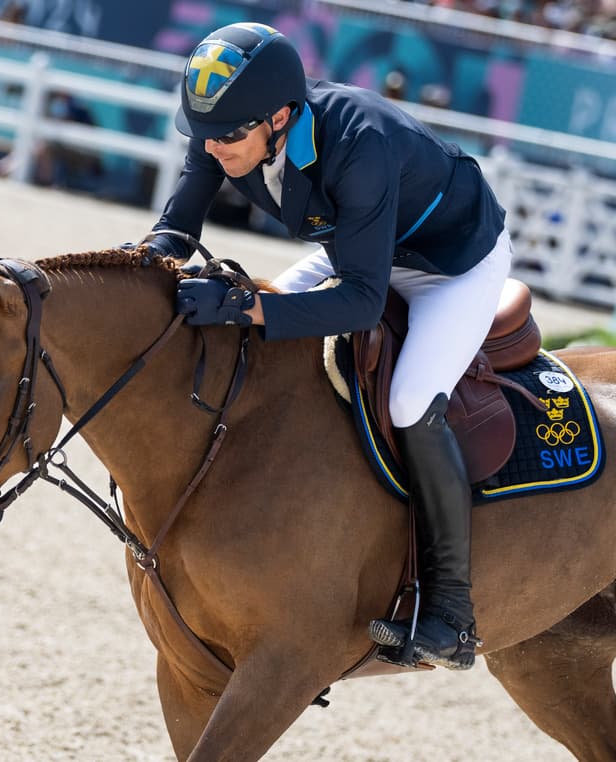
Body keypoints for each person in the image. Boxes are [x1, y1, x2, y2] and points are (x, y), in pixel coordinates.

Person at [145, 22, 512, 671]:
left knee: (407, 401)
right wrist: (146, 260)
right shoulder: (227, 123)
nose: (212, 145)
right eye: (203, 130)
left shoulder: (359, 144)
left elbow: (366, 301)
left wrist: (247, 305)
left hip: (448, 268)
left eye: (228, 136)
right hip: (359, 249)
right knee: (259, 346)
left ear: (280, 117)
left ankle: (452, 611)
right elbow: (177, 223)